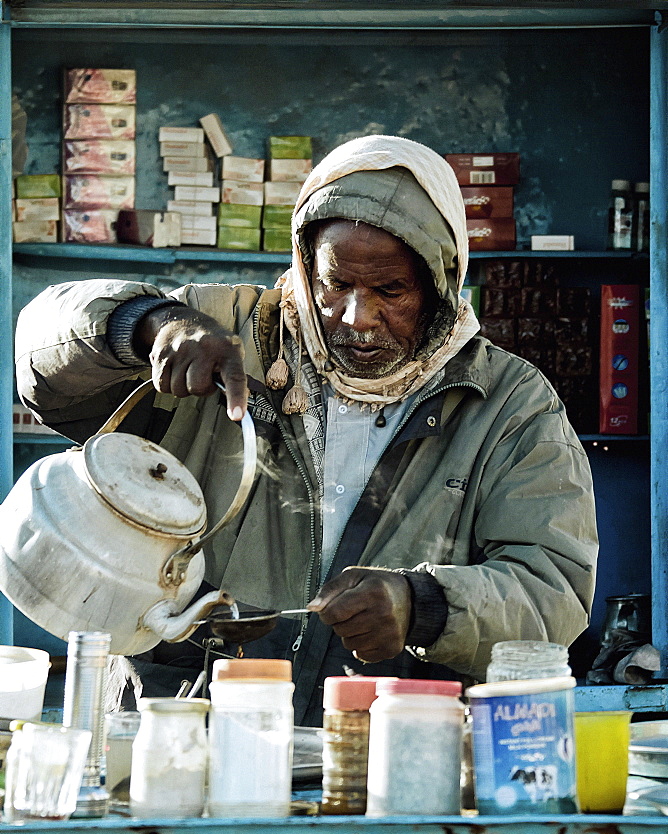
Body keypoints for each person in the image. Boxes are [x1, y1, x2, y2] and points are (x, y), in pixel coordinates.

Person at [15, 134, 598, 725]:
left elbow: (553, 590)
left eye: (390, 291)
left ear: (440, 283)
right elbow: (40, 358)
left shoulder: (508, 404)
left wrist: (423, 605)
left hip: (382, 741)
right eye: (334, 284)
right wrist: (148, 324)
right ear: (304, 262)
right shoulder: (227, 330)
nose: (356, 318)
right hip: (182, 722)